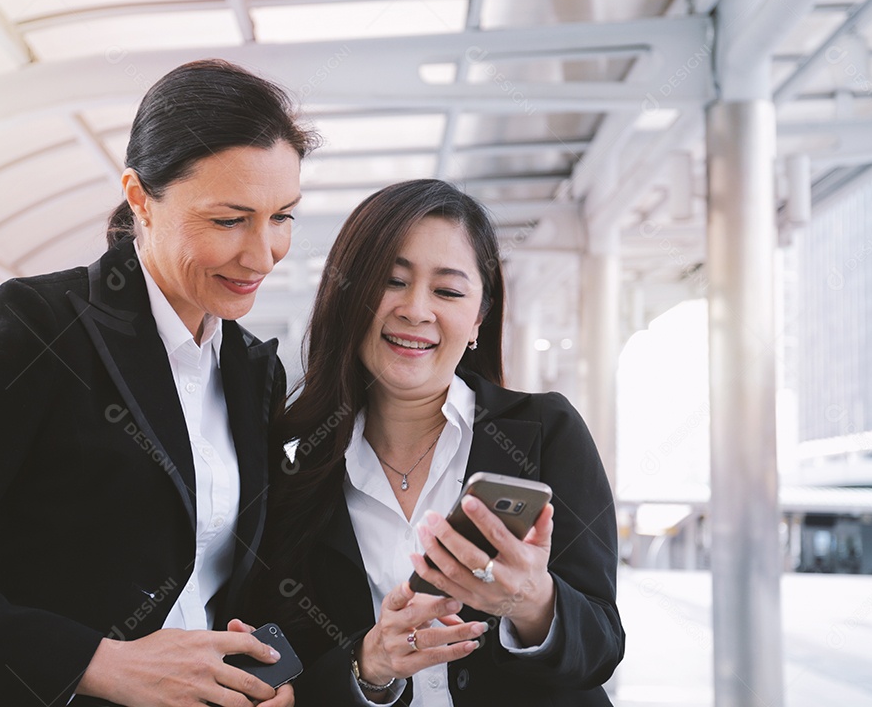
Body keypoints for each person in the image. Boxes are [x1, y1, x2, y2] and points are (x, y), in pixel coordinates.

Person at [0, 59, 317, 707]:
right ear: (140, 198)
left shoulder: (252, 369)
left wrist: (271, 673)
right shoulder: (44, 333)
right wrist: (97, 665)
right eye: (229, 220)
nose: (263, 252)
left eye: (283, 216)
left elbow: (228, 578)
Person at [248, 180, 624, 705]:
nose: (416, 310)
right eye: (391, 282)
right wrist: (369, 665)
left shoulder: (545, 432)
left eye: (447, 291)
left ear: (478, 318)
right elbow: (270, 662)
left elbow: (603, 646)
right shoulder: (290, 460)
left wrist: (534, 602)